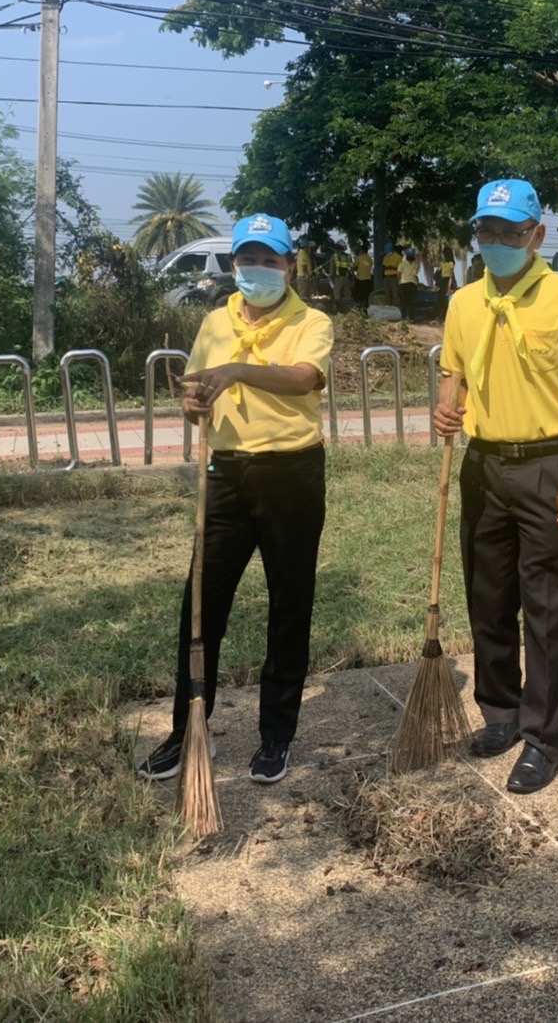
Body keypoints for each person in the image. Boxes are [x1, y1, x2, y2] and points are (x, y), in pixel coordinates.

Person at [138, 213, 333, 786]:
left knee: (289, 603)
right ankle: (188, 727)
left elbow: (304, 378)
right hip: (224, 473)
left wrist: (241, 371)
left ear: (289, 267)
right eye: (248, 259)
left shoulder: (311, 320)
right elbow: (196, 388)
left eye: (270, 260)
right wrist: (193, 404)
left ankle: (276, 736)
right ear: (233, 265)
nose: (258, 270)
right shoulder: (213, 322)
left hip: (291, 473)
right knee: (200, 605)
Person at [434, 179, 558, 795]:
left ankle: (541, 737)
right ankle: (499, 713)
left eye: (510, 232)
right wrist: (446, 411)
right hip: (485, 465)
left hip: (547, 464)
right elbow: (454, 375)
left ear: (537, 235)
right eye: (487, 231)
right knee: (488, 595)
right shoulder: (464, 303)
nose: (496, 242)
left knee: (548, 606)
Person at [328, 241, 353, 311]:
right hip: (347, 279)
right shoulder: (348, 256)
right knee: (348, 296)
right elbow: (352, 268)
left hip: (338, 279)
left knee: (337, 295)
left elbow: (332, 269)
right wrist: (353, 279)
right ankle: (348, 310)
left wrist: (330, 279)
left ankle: (338, 310)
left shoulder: (334, 256)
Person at [398, 246, 421, 320]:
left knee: (405, 302)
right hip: (411, 284)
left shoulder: (402, 264)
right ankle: (410, 318)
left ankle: (405, 318)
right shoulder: (415, 265)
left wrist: (399, 281)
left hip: (405, 284)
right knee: (411, 303)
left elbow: (398, 274)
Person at [352, 245, 374, 311]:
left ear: (362, 250)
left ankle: (359, 307)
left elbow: (354, 267)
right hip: (368, 278)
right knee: (366, 295)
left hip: (360, 278)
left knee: (359, 295)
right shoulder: (370, 259)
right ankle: (365, 307)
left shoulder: (359, 258)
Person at [381, 243, 402, 307]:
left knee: (395, 294)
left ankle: (397, 308)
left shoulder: (398, 257)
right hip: (386, 277)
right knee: (387, 294)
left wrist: (392, 267)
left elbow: (400, 268)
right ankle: (389, 309)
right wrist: (383, 276)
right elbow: (384, 266)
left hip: (394, 277)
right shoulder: (385, 257)